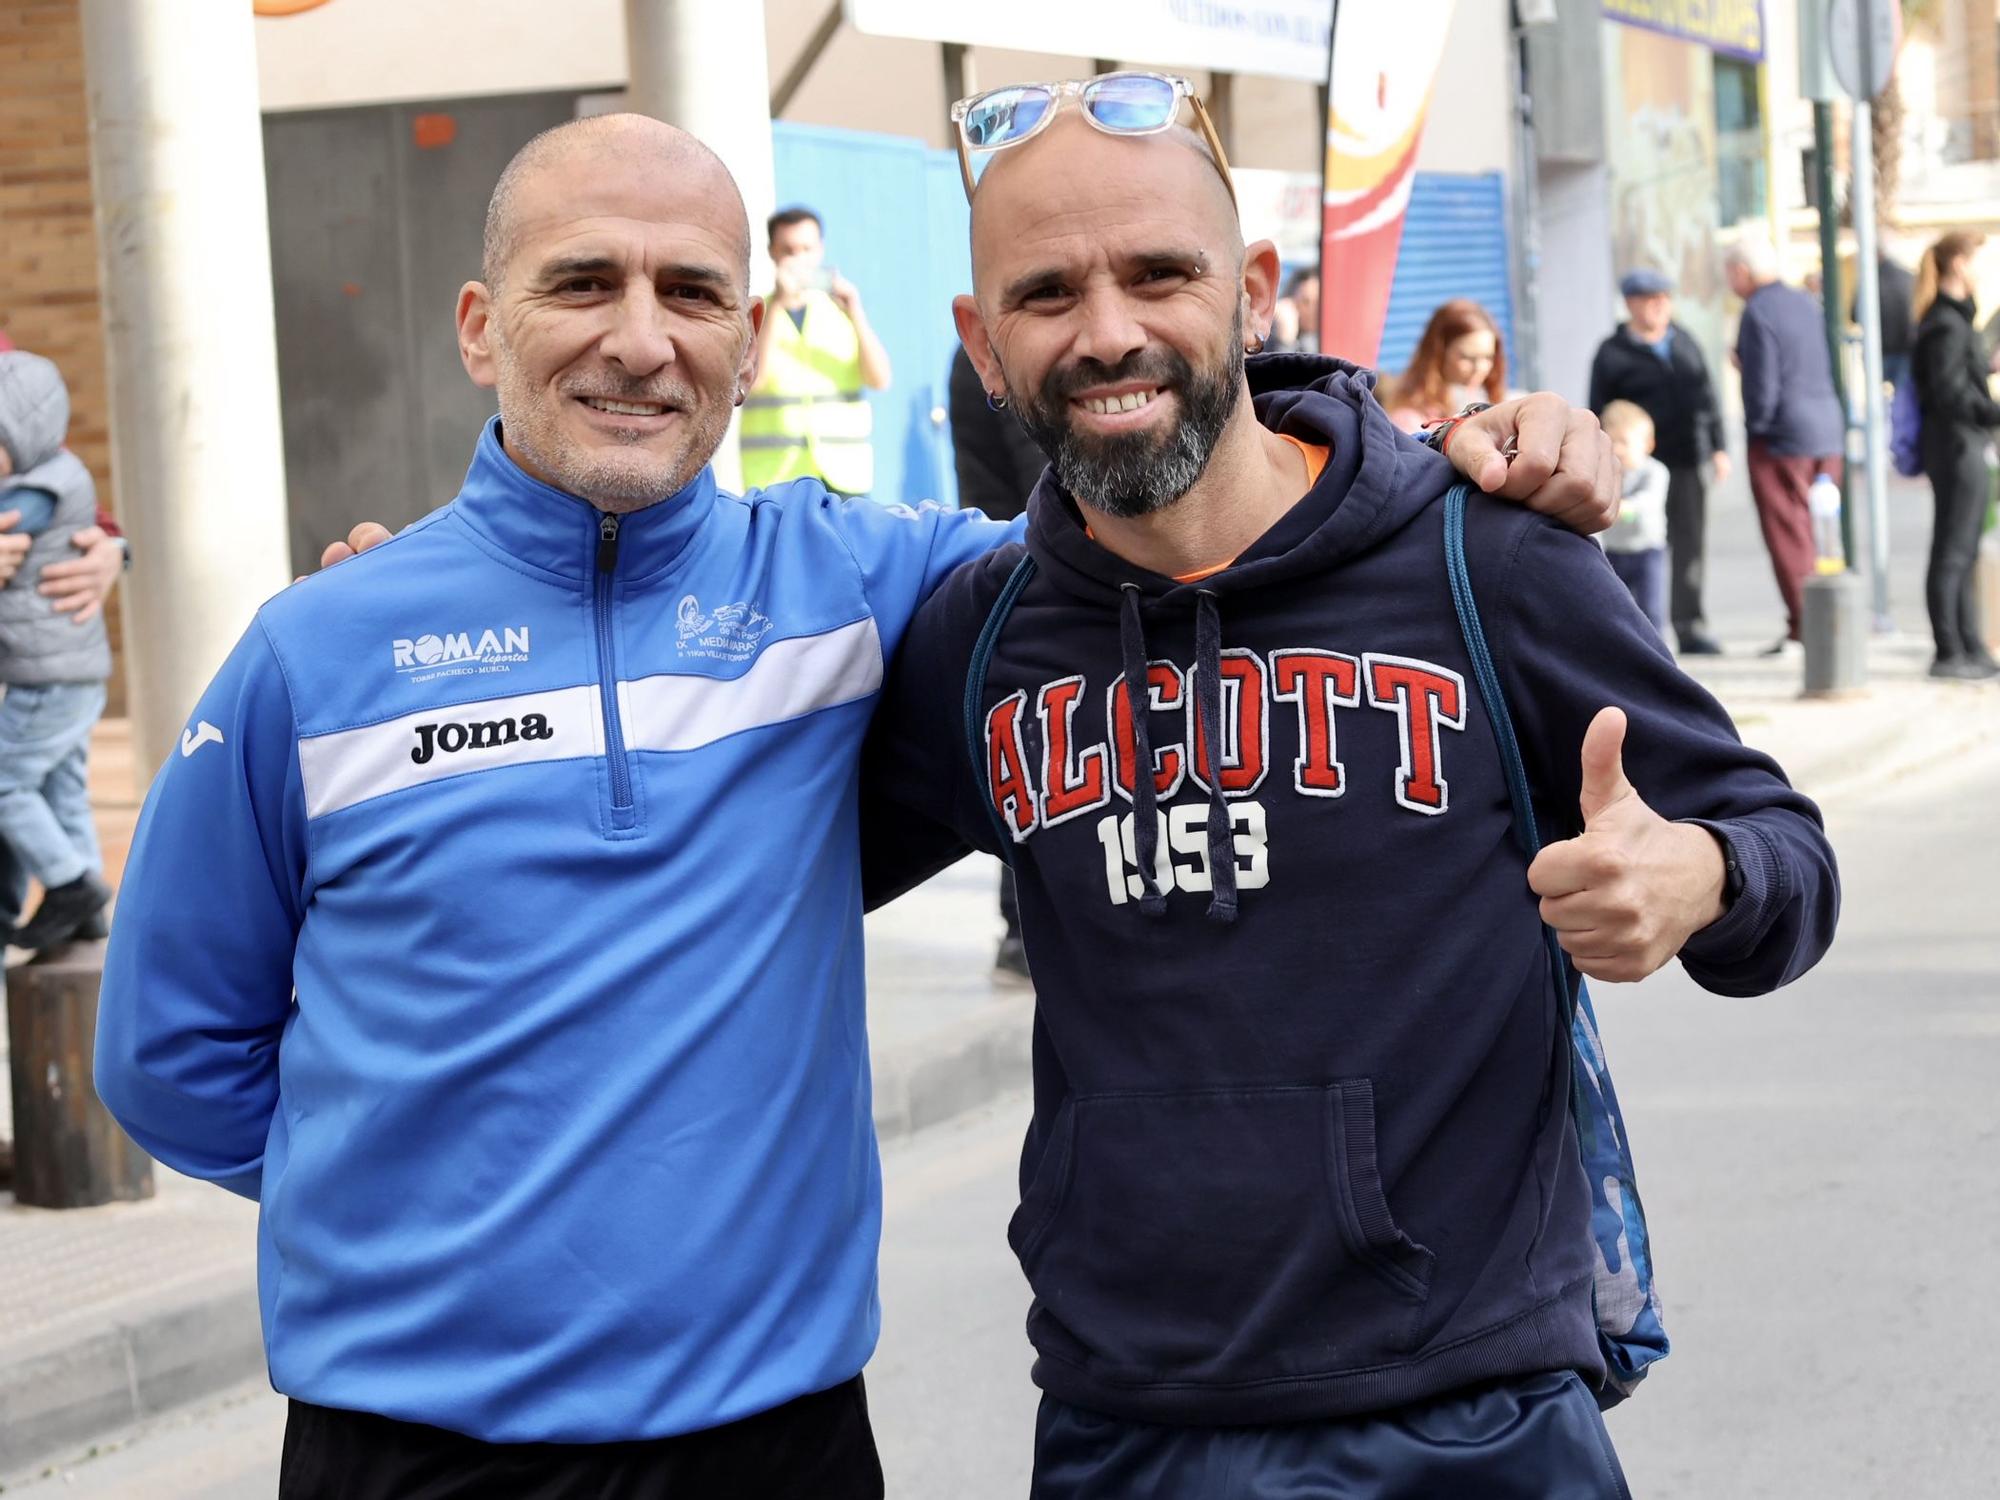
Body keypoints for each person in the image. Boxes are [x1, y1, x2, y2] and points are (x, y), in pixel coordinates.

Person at [95, 111, 1621, 1499]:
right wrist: (431, 1186)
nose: (639, 340)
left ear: (753, 342)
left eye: (691, 293)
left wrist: (1440, 456)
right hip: (409, 1457)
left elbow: (1165, 506)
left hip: (783, 1450)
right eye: (583, 285)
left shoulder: (869, 584)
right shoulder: (320, 650)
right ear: (482, 327)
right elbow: (173, 1057)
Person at [864, 97, 1838, 1496]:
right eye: (1047, 293)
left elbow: (1784, 854)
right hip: (1124, 1430)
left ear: (1253, 290)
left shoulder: (1484, 560)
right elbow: (750, 870)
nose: (1106, 331)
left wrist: (1702, 876)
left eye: (1158, 273)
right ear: (982, 341)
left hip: (1472, 1425)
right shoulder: (982, 639)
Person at [0, 351, 114, 949]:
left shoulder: (37, 487)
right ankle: (86, 900)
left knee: (3, 781)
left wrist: (113, 551)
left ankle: (70, 884)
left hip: (47, 674)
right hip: (64, 670)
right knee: (60, 788)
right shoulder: (50, 470)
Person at [949, 343, 1046, 981]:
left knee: (1026, 756)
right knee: (1038, 761)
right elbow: (1050, 477)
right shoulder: (1007, 351)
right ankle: (1024, 929)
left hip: (1008, 571)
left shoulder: (977, 350)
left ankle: (1020, 931)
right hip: (1038, 576)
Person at [1588, 268, 1729, 655]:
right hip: (1634, 465)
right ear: (1631, 304)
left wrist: (1719, 446)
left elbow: (1709, 395)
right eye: (1650, 301)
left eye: (1664, 299)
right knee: (1634, 543)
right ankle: (1630, 630)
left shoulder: (1683, 340)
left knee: (1689, 544)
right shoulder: (1612, 353)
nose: (1658, 307)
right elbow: (1597, 410)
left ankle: (1690, 626)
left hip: (1688, 457)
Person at [1725, 231, 1847, 656]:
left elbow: (1764, 385)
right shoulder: (1803, 302)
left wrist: (1755, 425)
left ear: (1741, 271)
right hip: (1826, 431)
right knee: (1822, 532)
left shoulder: (1757, 311)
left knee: (1789, 534)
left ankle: (1806, 628)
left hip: (1782, 439)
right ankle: (1831, 622)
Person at [742, 205, 891, 496]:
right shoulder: (758, 315)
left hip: (844, 475)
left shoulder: (841, 311)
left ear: (820, 250)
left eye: (807, 249)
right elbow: (752, 381)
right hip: (777, 476)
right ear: (772, 252)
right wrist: (777, 307)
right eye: (789, 250)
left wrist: (856, 311)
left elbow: (880, 379)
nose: (799, 259)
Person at [1910, 230, 2000, 680]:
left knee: (1962, 551)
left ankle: (1971, 646)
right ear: (1958, 265)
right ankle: (1949, 651)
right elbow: (1949, 394)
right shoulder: (1945, 323)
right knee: (1953, 550)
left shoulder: (1953, 322)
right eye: (1977, 258)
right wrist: (1994, 409)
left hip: (1961, 444)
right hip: (1955, 446)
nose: (1983, 267)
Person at [1380, 298, 1506, 432]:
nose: (1479, 368)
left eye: (1488, 357)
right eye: (1467, 357)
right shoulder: (1410, 419)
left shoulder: (1487, 401)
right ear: (1439, 354)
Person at [1599, 400, 1671, 636]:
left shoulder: (1655, 472)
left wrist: (1623, 508)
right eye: (1613, 442)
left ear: (1647, 444)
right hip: (1614, 552)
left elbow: (1648, 502)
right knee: (1615, 607)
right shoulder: (1605, 471)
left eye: (1625, 443)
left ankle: (1658, 653)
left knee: (1650, 608)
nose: (1618, 449)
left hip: (1647, 551)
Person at [1858, 252, 1917, 394]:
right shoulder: (1908, 278)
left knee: (1876, 394)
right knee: (1903, 397)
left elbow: (1855, 314)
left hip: (1879, 348)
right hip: (1904, 348)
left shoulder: (1870, 281)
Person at [1268, 267, 1319, 354]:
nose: (1313, 310)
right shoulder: (1273, 335)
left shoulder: (1323, 342)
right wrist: (1285, 340)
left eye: (1318, 303)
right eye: (1306, 302)